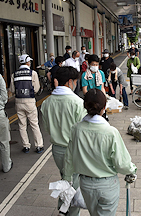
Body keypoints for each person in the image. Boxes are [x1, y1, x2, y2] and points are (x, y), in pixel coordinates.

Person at [63, 89, 137, 215]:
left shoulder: (76, 129)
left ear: (85, 106)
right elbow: (121, 163)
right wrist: (131, 171)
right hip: (107, 185)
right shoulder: (111, 132)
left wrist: (67, 178)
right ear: (104, 107)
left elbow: (69, 157)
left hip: (86, 184)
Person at [41, 66, 87, 216]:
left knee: (66, 179)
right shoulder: (77, 103)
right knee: (73, 184)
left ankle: (63, 208)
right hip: (73, 150)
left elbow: (47, 127)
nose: (76, 85)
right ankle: (67, 211)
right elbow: (83, 131)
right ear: (69, 82)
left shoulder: (47, 103)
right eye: (75, 81)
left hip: (57, 150)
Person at [9, 54, 44, 154]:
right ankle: (38, 145)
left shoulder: (14, 74)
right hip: (30, 101)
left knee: (22, 125)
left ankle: (26, 146)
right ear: (27, 62)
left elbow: (12, 89)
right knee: (34, 124)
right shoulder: (32, 73)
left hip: (18, 101)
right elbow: (36, 89)